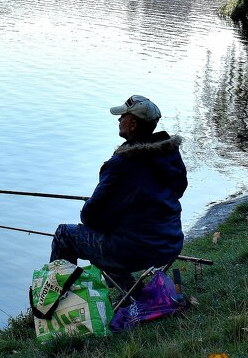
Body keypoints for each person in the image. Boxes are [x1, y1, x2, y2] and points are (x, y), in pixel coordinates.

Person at [51, 95, 188, 286]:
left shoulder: (121, 165)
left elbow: (90, 217)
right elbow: (178, 191)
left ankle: (59, 304)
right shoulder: (169, 155)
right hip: (169, 242)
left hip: (136, 250)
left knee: (65, 235)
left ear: (132, 124)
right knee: (108, 235)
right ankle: (134, 294)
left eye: (122, 116)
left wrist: (91, 205)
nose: (119, 119)